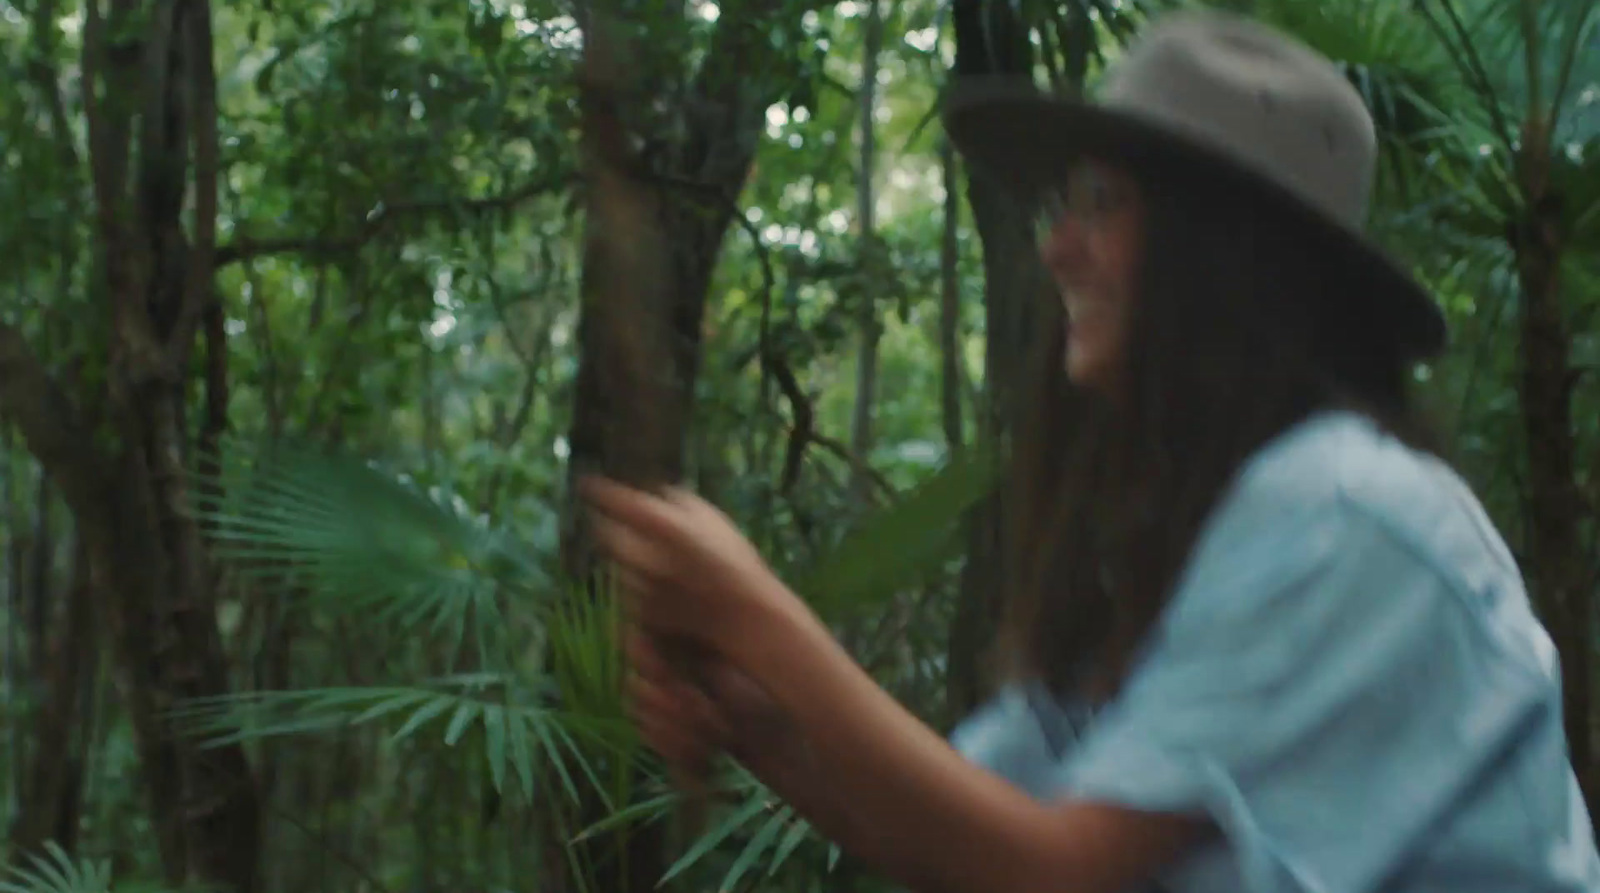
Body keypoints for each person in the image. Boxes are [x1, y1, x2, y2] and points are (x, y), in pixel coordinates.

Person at [582, 10, 1600, 893]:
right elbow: (968, 836)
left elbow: (1053, 865)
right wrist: (757, 717)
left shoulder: (1342, 502)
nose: (1056, 246)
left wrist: (759, 617)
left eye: (1103, 203)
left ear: (1225, 256)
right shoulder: (1178, 525)